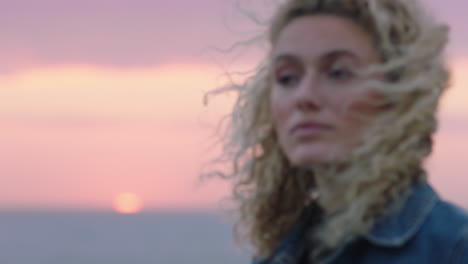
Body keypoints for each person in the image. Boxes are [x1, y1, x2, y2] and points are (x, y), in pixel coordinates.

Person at [204, 0, 468, 263]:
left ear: (398, 92)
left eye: (338, 73)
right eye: (287, 78)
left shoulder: (453, 248)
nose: (304, 96)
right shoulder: (283, 254)